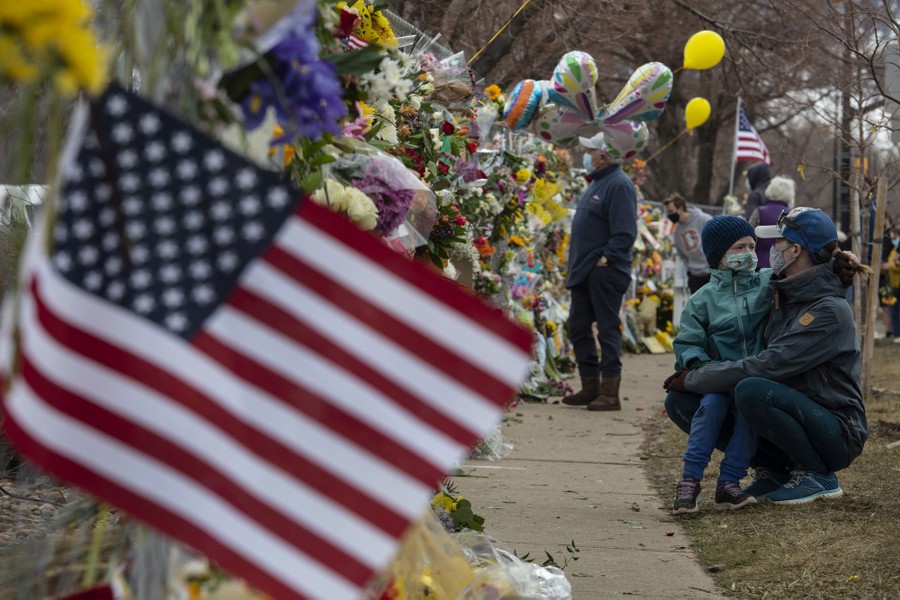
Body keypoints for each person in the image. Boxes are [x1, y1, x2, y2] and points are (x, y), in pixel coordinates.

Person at [665, 207, 869, 505]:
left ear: (795, 250)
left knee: (751, 387)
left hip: (835, 430)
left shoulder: (828, 310)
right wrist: (696, 368)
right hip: (791, 411)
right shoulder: (784, 290)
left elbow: (770, 364)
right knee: (680, 402)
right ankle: (774, 471)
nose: (768, 250)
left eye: (777, 243)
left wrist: (699, 378)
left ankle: (817, 475)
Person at [671, 216, 768, 514]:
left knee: (749, 414)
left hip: (755, 378)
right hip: (718, 376)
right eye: (740, 247)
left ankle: (729, 483)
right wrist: (701, 365)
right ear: (718, 255)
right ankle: (689, 481)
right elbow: (687, 342)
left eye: (752, 246)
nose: (749, 254)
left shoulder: (766, 283)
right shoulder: (702, 300)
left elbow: (807, 278)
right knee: (710, 407)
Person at [561, 132, 637, 411]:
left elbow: (625, 233)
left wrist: (605, 258)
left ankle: (610, 391)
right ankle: (590, 386)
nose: (587, 156)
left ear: (603, 155)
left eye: (591, 151)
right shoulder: (597, 183)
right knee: (578, 326)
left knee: (607, 329)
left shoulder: (618, 185)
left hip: (604, 271)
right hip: (585, 271)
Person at [664, 193, 713, 293]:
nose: (669, 215)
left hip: (712, 272)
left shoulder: (703, 219)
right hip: (695, 275)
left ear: (681, 208)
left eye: (671, 211)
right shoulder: (677, 232)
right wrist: (690, 268)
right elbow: (682, 255)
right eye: (668, 212)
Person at [750, 175, 794, 268]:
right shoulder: (792, 214)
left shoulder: (759, 212)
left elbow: (749, 236)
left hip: (759, 263)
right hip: (784, 265)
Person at [885, 226, 900, 342]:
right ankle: (896, 332)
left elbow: (894, 265)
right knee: (893, 309)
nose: (892, 238)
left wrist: (892, 265)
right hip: (893, 285)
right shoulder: (894, 250)